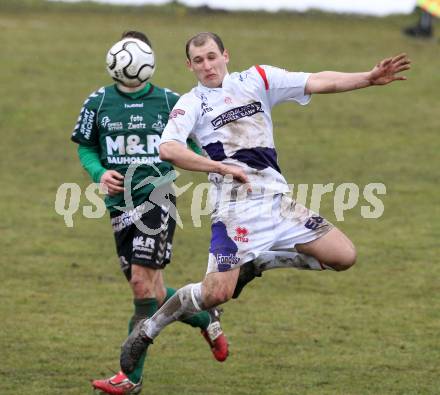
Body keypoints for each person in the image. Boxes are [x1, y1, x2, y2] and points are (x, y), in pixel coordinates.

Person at [119, 32, 411, 375]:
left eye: (212, 56)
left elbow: (318, 81)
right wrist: (218, 167)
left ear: (226, 55)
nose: (207, 66)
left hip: (278, 203)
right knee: (215, 295)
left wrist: (367, 78)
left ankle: (258, 264)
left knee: (344, 256)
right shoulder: (192, 103)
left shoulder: (257, 79)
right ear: (189, 65)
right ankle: (148, 331)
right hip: (234, 212)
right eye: (198, 61)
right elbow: (168, 149)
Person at [71, 31, 228, 395]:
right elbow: (86, 147)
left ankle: (130, 377)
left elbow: (193, 144)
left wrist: (215, 168)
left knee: (142, 285)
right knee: (154, 295)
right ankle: (205, 317)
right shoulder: (97, 103)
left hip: (158, 200)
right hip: (118, 207)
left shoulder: (170, 102)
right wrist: (99, 173)